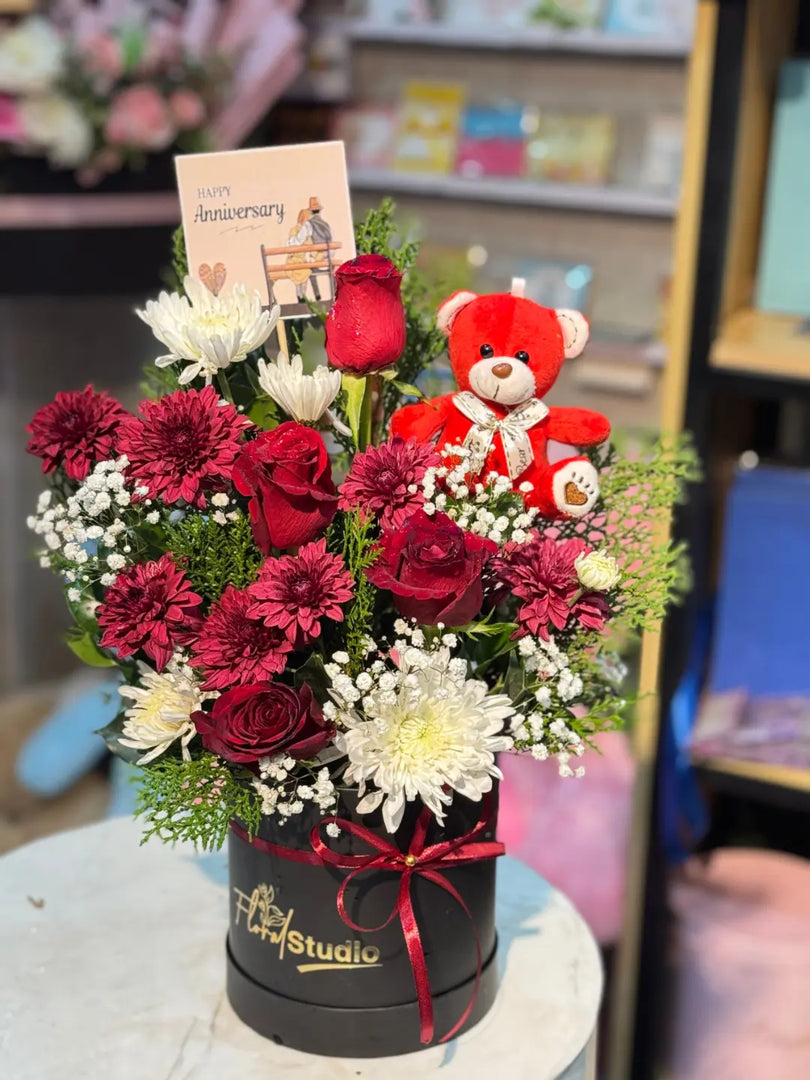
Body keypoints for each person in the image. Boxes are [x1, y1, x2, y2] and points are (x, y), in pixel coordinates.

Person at [306, 196, 333, 301]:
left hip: (316, 260)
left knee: (309, 271)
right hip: (327, 259)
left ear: (311, 211)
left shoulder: (309, 225)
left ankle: (317, 295)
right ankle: (334, 293)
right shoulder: (326, 225)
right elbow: (331, 242)